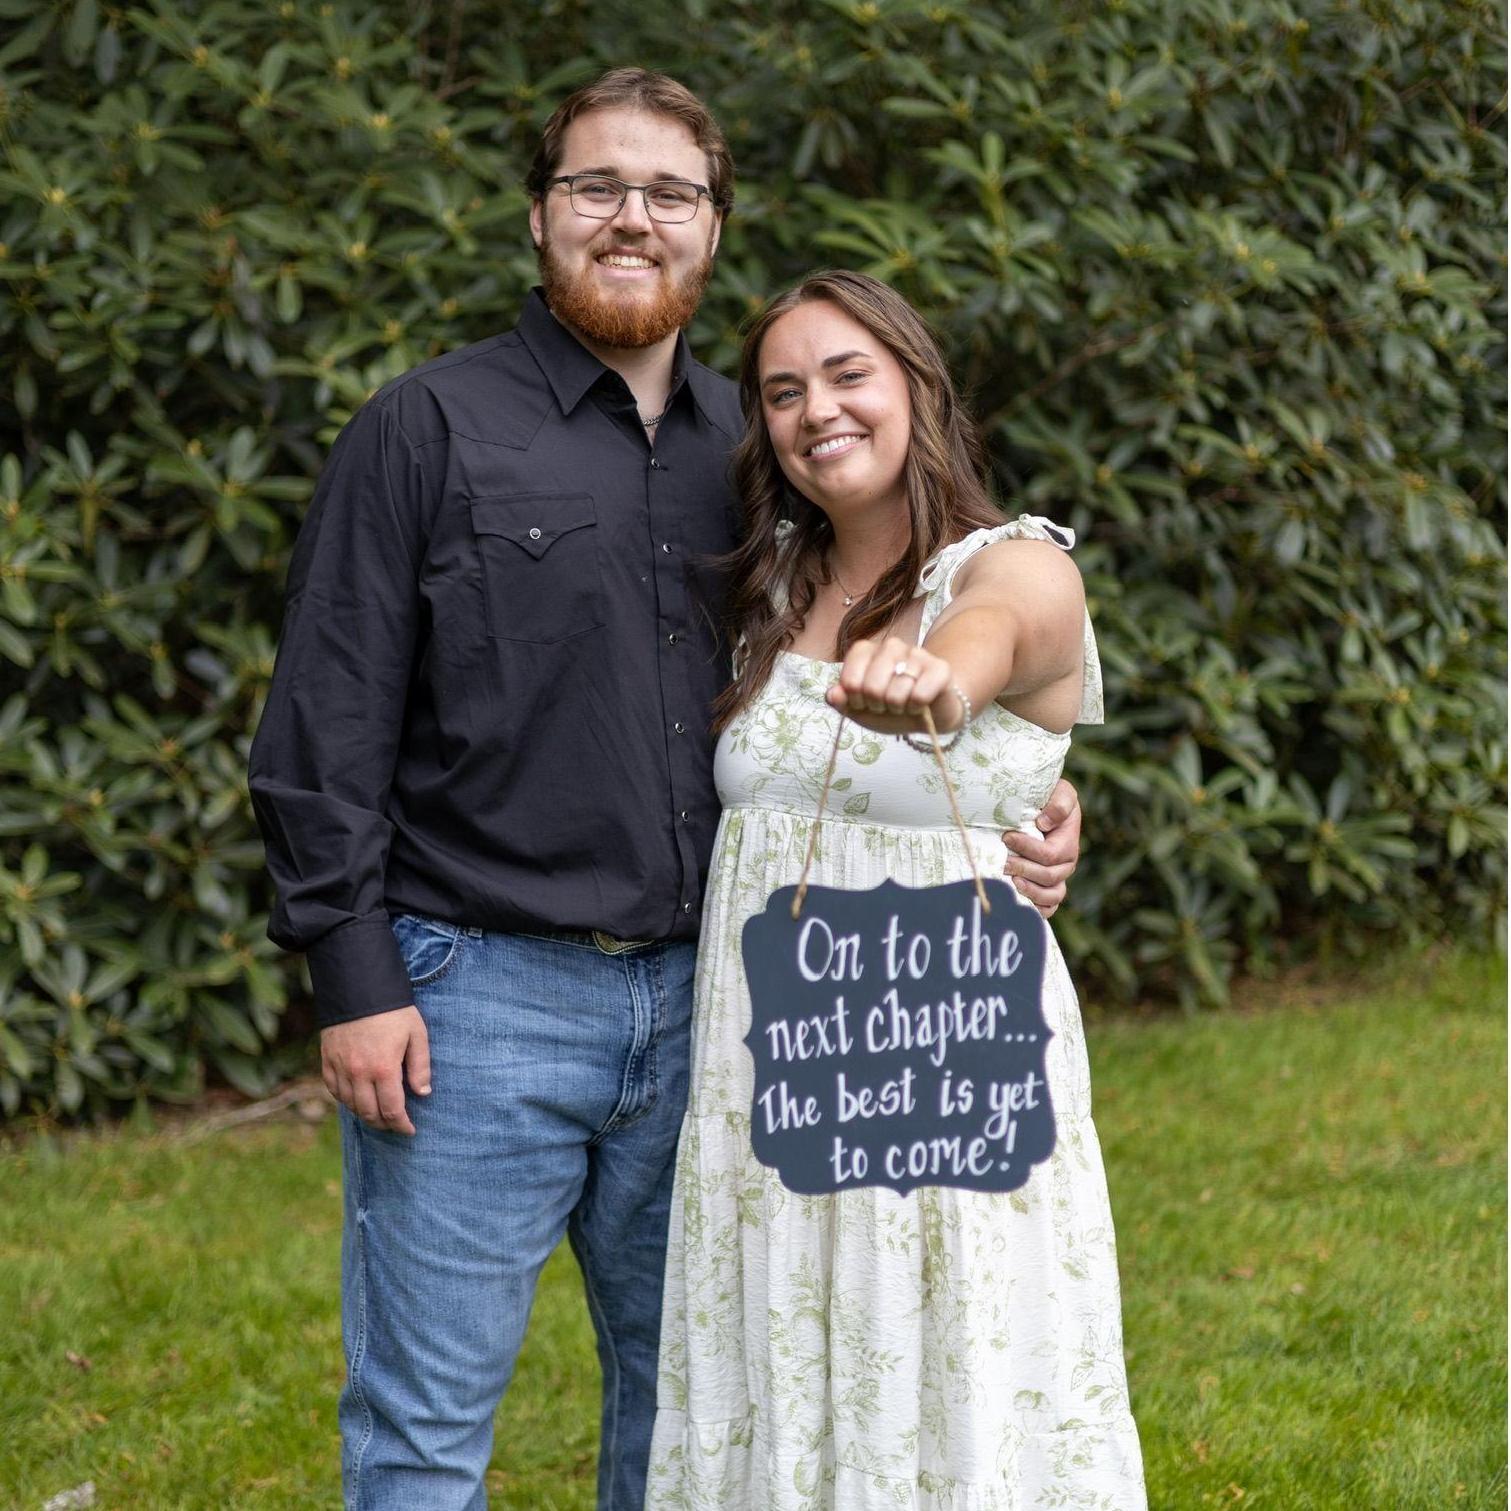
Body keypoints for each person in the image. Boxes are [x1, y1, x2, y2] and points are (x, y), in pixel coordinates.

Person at [248, 72, 1084, 1511]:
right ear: (539, 215)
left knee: (696, 1393)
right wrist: (351, 969)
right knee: (425, 1420)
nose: (631, 216)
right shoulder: (424, 428)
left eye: (669, 193)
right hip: (474, 997)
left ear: (709, 227)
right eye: (595, 187)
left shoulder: (756, 461)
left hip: (721, 1007)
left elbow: (917, 656)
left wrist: (1024, 803)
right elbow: (323, 714)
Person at [646, 270, 1145, 1508]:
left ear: (915, 385)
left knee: (946, 1352)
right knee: (786, 1342)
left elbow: (986, 638)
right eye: (780, 391)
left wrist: (931, 680)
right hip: (775, 1052)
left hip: (939, 1053)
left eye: (846, 373)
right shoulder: (765, 583)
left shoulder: (1017, 563)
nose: (816, 408)